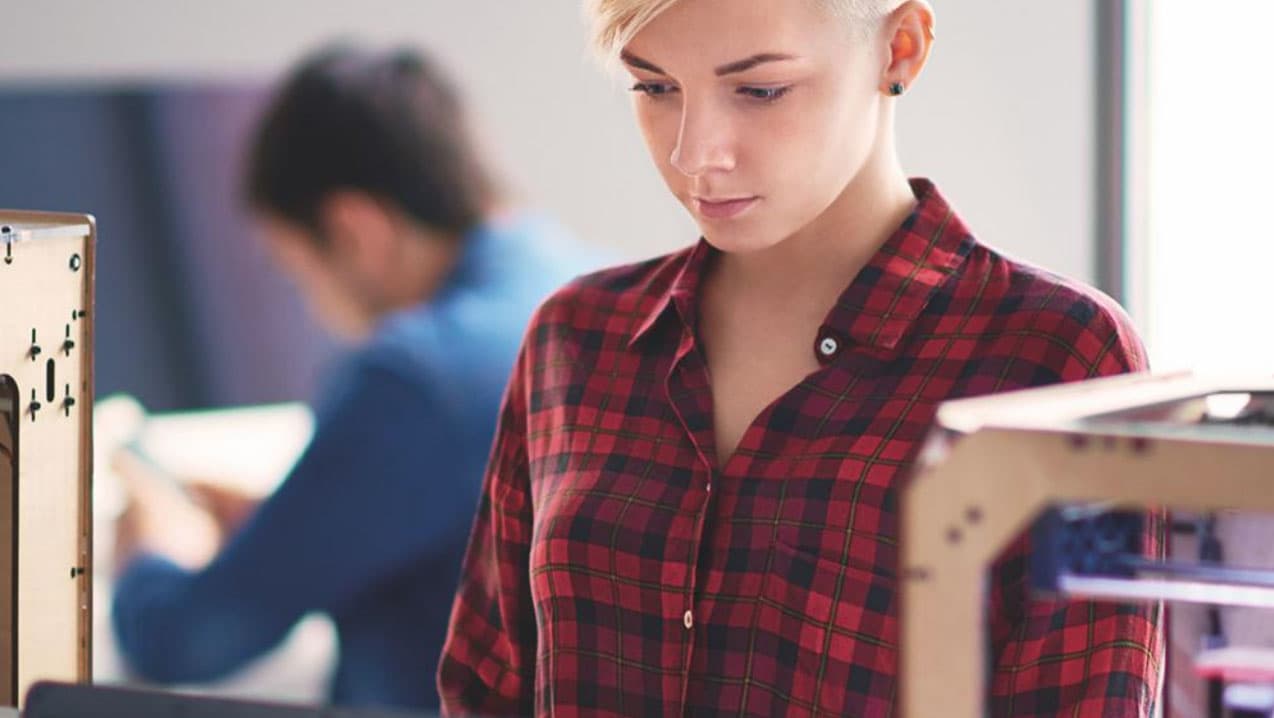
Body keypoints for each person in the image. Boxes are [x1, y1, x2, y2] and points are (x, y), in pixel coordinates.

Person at [438, 1, 1162, 715]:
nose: (695, 154)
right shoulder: (576, 340)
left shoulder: (1057, 359)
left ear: (899, 49)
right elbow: (485, 691)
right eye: (656, 87)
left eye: (760, 90)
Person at [111, 43, 594, 711]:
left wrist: (151, 552)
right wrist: (284, 522)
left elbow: (185, 640)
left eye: (294, 267)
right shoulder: (599, 293)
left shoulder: (418, 379)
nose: (307, 298)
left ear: (355, 229)